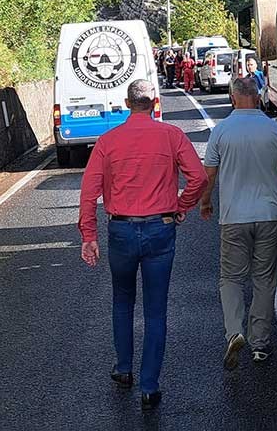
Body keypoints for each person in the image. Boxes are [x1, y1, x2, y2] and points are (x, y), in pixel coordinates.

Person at [78, 79, 208, 409]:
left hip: (120, 230)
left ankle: (123, 368)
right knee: (155, 308)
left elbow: (88, 193)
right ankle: (150, 385)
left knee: (122, 300)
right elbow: (199, 177)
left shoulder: (107, 141)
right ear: (154, 103)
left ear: (126, 102)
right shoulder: (172, 136)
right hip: (160, 229)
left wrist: (88, 236)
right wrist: (181, 206)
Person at [199, 77, 277, 369]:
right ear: (258, 98)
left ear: (233, 99)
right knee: (264, 279)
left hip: (234, 217)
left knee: (231, 278)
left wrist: (206, 201)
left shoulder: (220, 132)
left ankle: (235, 331)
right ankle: (260, 345)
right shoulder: (275, 130)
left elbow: (209, 175)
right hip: (270, 215)